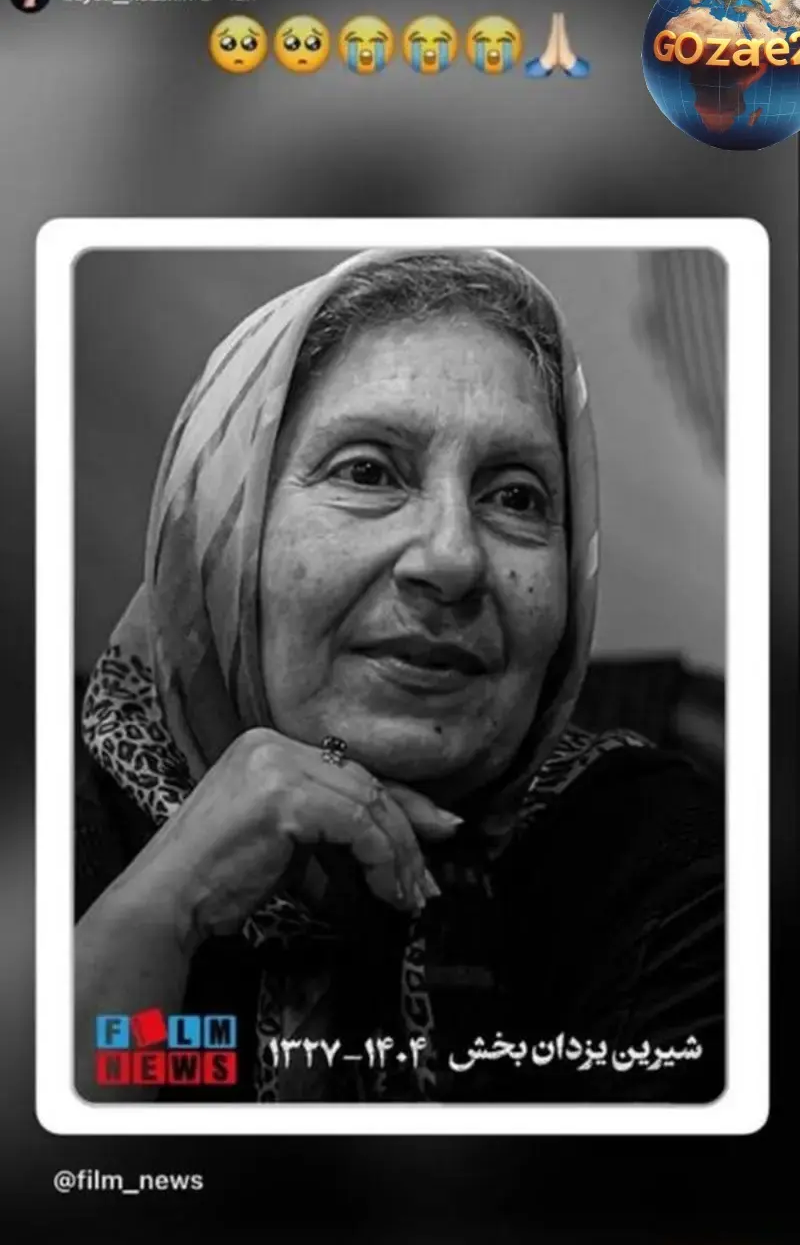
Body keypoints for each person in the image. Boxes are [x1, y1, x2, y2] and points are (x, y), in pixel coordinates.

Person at [74, 248, 724, 1103]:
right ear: (220, 534)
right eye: (368, 473)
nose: (452, 560)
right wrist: (161, 911)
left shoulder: (659, 861)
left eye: (516, 497)